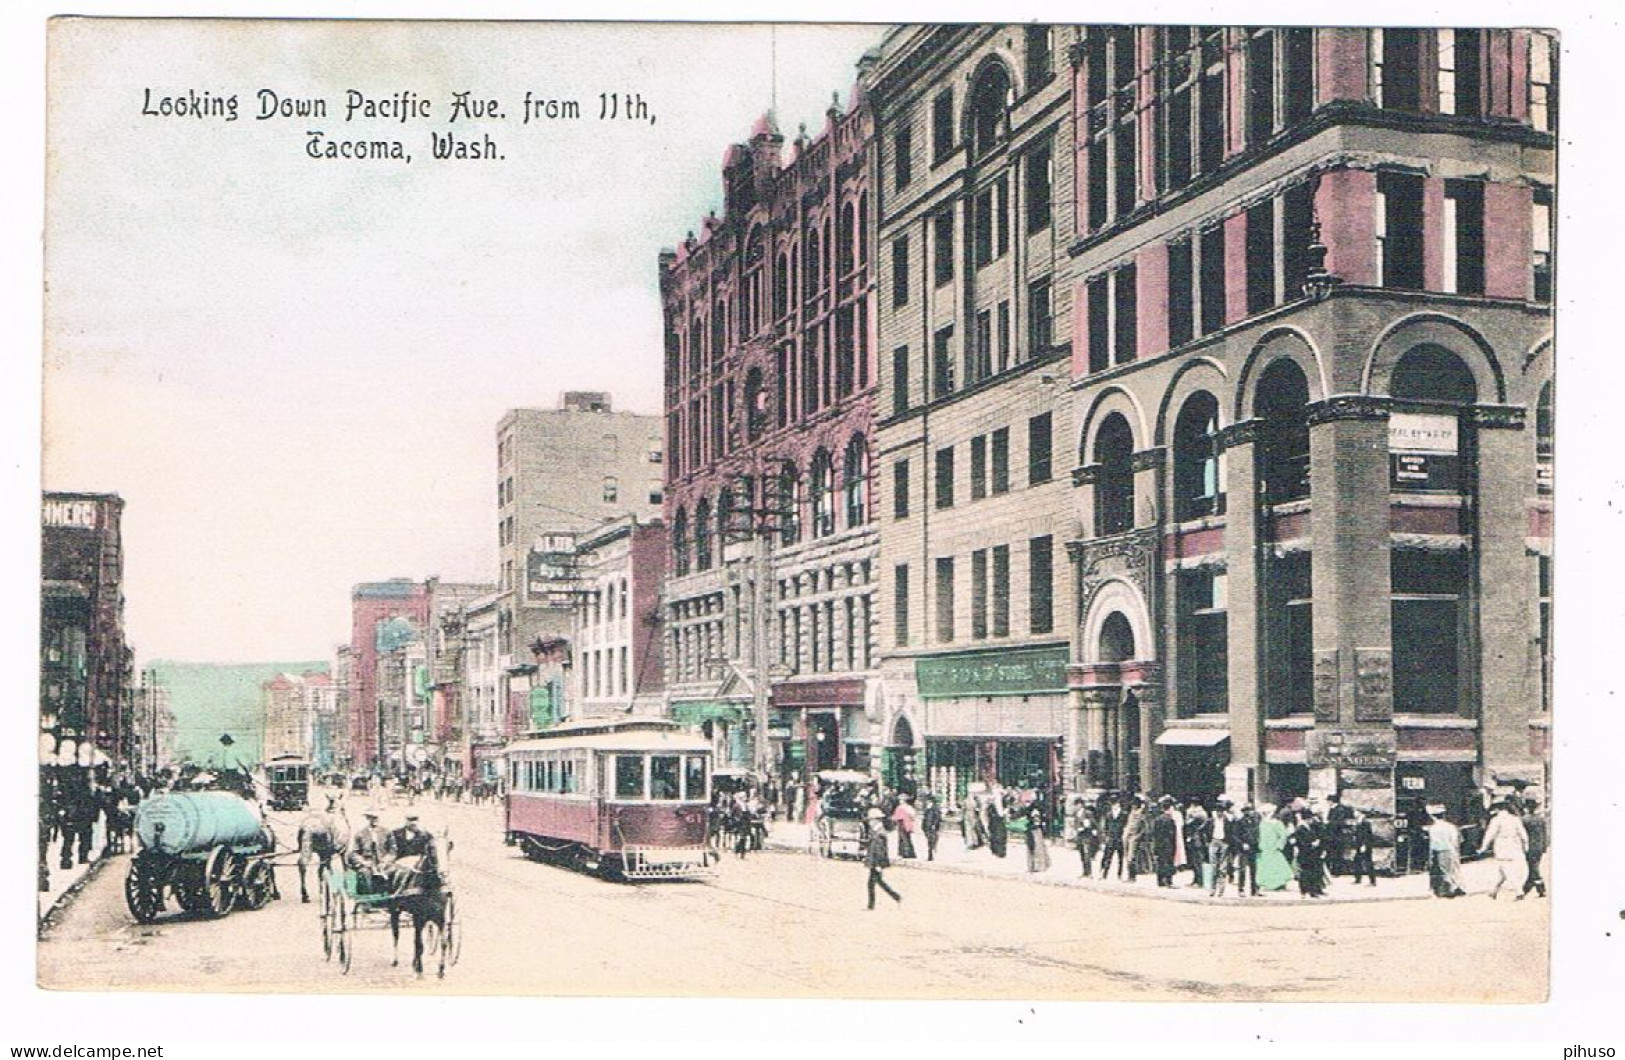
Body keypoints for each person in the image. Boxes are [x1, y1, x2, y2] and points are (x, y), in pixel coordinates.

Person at [1479, 799, 1530, 900]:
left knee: (1507, 869)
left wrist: (1483, 848)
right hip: (1515, 846)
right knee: (1502, 871)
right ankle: (1493, 891)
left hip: (1502, 847)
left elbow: (1490, 835)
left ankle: (1518, 891)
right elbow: (1523, 834)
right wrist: (1525, 845)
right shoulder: (1515, 818)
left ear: (1498, 808)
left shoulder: (1496, 820)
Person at [864, 809, 901, 909]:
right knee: (878, 882)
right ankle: (896, 896)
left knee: (872, 883)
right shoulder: (876, 831)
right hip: (875, 861)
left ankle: (871, 905)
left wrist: (878, 864)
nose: (870, 822)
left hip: (876, 862)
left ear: (876, 820)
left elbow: (880, 849)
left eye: (871, 820)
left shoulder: (879, 833)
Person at [1427, 808, 1466, 898]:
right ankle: (1457, 887)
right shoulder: (1451, 826)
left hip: (1438, 851)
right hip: (1451, 850)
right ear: (1444, 815)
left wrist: (1431, 855)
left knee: (1441, 871)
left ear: (1433, 817)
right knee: (1454, 869)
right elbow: (1457, 841)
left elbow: (1432, 843)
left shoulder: (1433, 828)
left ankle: (1444, 889)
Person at [1257, 805, 1295, 893]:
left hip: (1273, 847)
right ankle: (1267, 883)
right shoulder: (1260, 823)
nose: (1265, 814)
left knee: (1277, 865)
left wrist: (1279, 845)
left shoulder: (1276, 823)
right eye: (1264, 812)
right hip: (1263, 847)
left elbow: (1283, 835)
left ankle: (1279, 884)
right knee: (1265, 866)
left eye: (1267, 812)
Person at [1291, 810, 1328, 898]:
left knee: (1313, 872)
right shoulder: (1300, 829)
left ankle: (1314, 890)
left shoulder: (1310, 827)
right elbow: (1300, 842)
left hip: (1312, 854)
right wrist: (1311, 844)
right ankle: (1305, 890)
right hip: (1305, 854)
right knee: (1305, 873)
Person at [1519, 798, 1548, 899]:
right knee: (1533, 867)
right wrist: (1544, 846)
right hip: (1539, 847)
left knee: (1533, 868)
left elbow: (1522, 835)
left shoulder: (1524, 820)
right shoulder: (1541, 819)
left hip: (1529, 847)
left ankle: (1540, 889)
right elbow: (1545, 834)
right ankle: (1527, 889)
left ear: (1526, 808)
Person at [1151, 797, 1179, 887]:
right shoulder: (1170, 820)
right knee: (1169, 862)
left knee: (1160, 862)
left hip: (1159, 843)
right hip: (1168, 844)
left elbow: (1154, 832)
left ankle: (1160, 881)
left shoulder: (1157, 819)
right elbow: (1172, 834)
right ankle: (1169, 881)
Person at [1183, 803, 1211, 888]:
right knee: (1195, 862)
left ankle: (1199, 882)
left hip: (1198, 841)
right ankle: (1196, 880)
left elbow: (1188, 822)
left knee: (1198, 862)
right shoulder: (1200, 814)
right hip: (1195, 840)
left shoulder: (1199, 815)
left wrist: (1190, 813)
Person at [1326, 794, 1355, 876]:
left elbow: (1339, 822)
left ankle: (1337, 871)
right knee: (1333, 853)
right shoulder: (1333, 809)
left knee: (1337, 854)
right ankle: (1334, 870)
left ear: (1331, 801)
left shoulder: (1339, 809)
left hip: (1337, 835)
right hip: (1333, 835)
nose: (1328, 803)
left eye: (1328, 801)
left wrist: (1329, 823)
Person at [1099, 798, 1128, 879]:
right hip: (1111, 838)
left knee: (1120, 858)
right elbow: (1106, 827)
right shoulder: (1109, 815)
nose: (1115, 807)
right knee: (1108, 857)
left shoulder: (1124, 814)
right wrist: (1105, 836)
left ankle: (1119, 874)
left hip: (1120, 837)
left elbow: (1126, 825)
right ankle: (1105, 873)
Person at [1072, 798, 1101, 878]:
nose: (1075, 807)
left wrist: (1087, 827)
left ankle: (1089, 873)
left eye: (1076, 805)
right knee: (1082, 854)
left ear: (1080, 805)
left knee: (1086, 854)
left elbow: (1093, 823)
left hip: (1086, 836)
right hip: (1080, 836)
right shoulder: (1076, 813)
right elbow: (1076, 824)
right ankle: (1084, 872)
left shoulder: (1087, 813)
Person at [1349, 808, 1378, 886]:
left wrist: (1364, 845)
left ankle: (1372, 880)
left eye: (1356, 812)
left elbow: (1367, 835)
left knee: (1368, 863)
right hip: (1359, 845)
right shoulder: (1358, 822)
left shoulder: (1365, 822)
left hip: (1365, 846)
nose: (1354, 813)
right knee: (1357, 862)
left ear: (1361, 813)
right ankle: (1358, 879)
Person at [1123, 796, 1148, 883]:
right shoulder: (1132, 813)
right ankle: (1130, 875)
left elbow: (1144, 828)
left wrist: (1138, 836)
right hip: (1128, 835)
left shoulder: (1141, 814)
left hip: (1134, 836)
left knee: (1131, 856)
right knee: (1127, 856)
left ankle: (1132, 876)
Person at [1023, 801, 1051, 873]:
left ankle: (1034, 867)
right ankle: (1036, 866)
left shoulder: (1034, 812)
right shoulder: (1037, 811)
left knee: (1035, 849)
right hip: (1035, 831)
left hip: (1034, 831)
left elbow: (1036, 823)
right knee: (1036, 848)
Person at [920, 795, 943, 862]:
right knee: (929, 840)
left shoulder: (935, 808)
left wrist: (934, 825)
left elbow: (937, 817)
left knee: (931, 840)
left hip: (932, 826)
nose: (927, 802)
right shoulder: (927, 808)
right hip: (927, 826)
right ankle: (931, 853)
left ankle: (931, 854)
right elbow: (925, 817)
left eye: (928, 800)